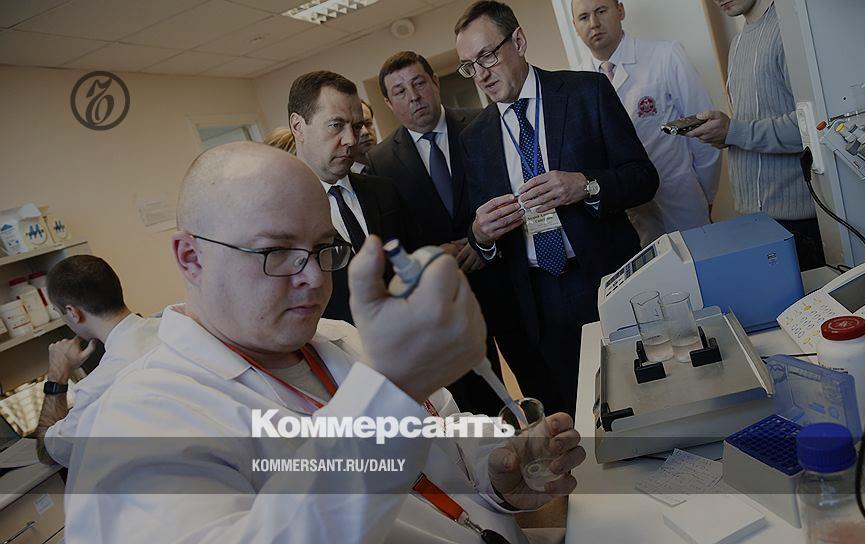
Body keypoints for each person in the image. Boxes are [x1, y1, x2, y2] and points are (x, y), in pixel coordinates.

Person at [63, 142, 585, 543]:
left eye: (322, 248)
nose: (314, 277)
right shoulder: (140, 419)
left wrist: (497, 477)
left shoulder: (340, 341)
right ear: (191, 257)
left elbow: (444, 440)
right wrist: (389, 390)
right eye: (275, 251)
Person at [455, 1, 659, 415]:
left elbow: (643, 178)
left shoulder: (586, 92)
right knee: (570, 416)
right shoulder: (474, 137)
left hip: (603, 278)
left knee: (640, 401)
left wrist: (586, 185)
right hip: (534, 303)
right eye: (469, 67)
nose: (482, 75)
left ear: (518, 41)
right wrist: (481, 235)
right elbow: (479, 236)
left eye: (487, 57)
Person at [367, 50, 530, 416]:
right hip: (444, 301)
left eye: (419, 83)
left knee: (537, 377)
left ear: (435, 83)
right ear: (389, 103)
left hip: (505, 280)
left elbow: (509, 190)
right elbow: (395, 236)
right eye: (400, 91)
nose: (414, 97)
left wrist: (482, 242)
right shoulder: (380, 162)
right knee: (480, 404)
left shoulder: (484, 123)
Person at [573, 0, 721, 246]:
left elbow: (703, 131)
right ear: (575, 26)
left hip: (682, 199)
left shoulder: (666, 56)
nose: (594, 23)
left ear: (620, 10)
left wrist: (705, 195)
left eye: (601, 11)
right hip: (630, 215)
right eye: (584, 17)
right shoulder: (577, 84)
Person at [691, 0, 824, 270]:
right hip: (755, 220)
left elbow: (810, 126)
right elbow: (750, 125)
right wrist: (724, 135)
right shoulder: (738, 42)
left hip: (797, 222)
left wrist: (734, 131)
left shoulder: (789, 29)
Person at [289, 70, 415, 323]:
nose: (351, 140)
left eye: (356, 127)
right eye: (336, 125)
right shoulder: (281, 214)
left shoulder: (385, 191)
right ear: (298, 127)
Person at [35, 255, 159, 467]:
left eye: (59, 312)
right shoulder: (172, 325)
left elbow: (49, 452)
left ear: (73, 312)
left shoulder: (99, 387)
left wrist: (57, 375)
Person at [352, 99, 377, 174]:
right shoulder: (343, 177)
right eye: (357, 127)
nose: (365, 132)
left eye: (368, 123)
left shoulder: (393, 160)